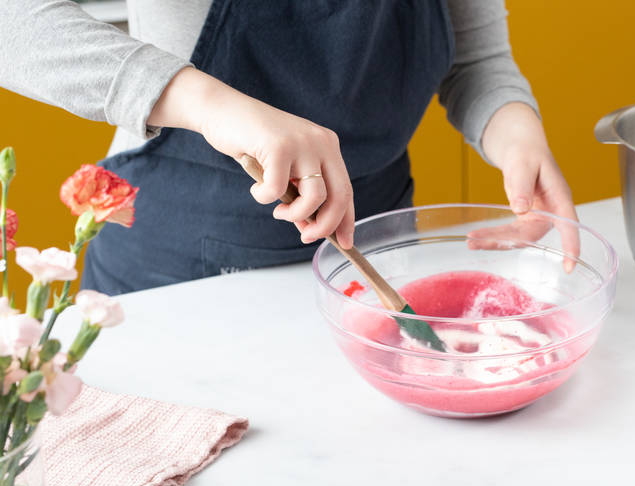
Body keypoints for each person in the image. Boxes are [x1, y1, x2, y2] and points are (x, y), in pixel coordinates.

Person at [0, 0, 577, 295]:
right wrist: (210, 103)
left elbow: (477, 61)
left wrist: (516, 133)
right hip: (178, 272)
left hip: (379, 252)